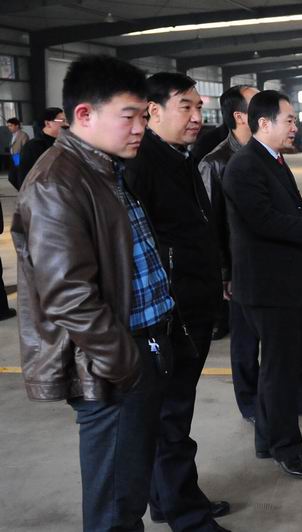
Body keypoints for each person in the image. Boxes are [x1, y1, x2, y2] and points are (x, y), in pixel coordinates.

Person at [13, 54, 170, 532]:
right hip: (108, 365)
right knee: (115, 505)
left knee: (129, 487)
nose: (140, 127)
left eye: (144, 116)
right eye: (129, 116)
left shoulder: (103, 169)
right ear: (84, 114)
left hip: (136, 347)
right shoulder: (57, 183)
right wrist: (126, 364)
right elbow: (69, 295)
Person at [223, 90, 302, 478]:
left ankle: (269, 438)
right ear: (264, 123)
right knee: (278, 371)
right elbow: (264, 220)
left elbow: (294, 210)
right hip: (268, 285)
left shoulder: (273, 160)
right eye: (290, 120)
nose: (296, 127)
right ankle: (284, 446)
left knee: (279, 367)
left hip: (286, 281)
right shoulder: (244, 166)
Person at [125, 72, 230, 531]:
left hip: (192, 303)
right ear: (153, 111)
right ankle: (188, 516)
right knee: (171, 416)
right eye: (185, 106)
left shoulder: (180, 156)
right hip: (172, 312)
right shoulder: (142, 164)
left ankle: (168, 499)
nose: (196, 116)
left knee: (173, 413)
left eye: (199, 108)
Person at [199, 85, 257, 410]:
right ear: (240, 115)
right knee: (245, 339)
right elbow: (211, 226)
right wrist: (224, 272)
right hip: (238, 266)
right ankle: (250, 402)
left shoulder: (264, 152)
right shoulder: (215, 162)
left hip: (265, 262)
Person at [17, 107, 65, 187]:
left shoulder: (63, 143)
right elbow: (23, 177)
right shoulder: (33, 146)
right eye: (62, 121)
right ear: (48, 123)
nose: (66, 124)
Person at [6, 117, 28, 187]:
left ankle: (21, 189)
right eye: (8, 126)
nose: (9, 128)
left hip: (18, 157)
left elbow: (25, 148)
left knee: (17, 176)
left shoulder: (23, 135)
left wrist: (20, 158)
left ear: (17, 126)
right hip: (13, 157)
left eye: (11, 126)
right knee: (12, 177)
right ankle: (20, 188)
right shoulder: (13, 135)